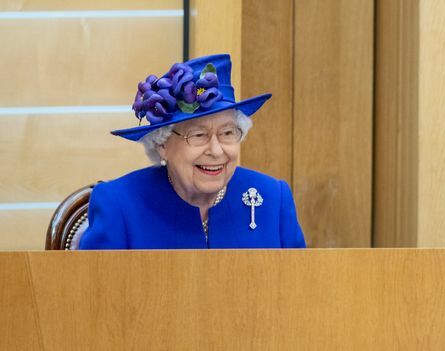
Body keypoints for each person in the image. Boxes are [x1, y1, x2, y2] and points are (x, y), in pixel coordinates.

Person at [79, 54, 306, 249]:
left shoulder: (273, 199)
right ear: (162, 144)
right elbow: (95, 295)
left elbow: (299, 291)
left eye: (227, 133)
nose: (216, 151)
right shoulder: (119, 204)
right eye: (198, 136)